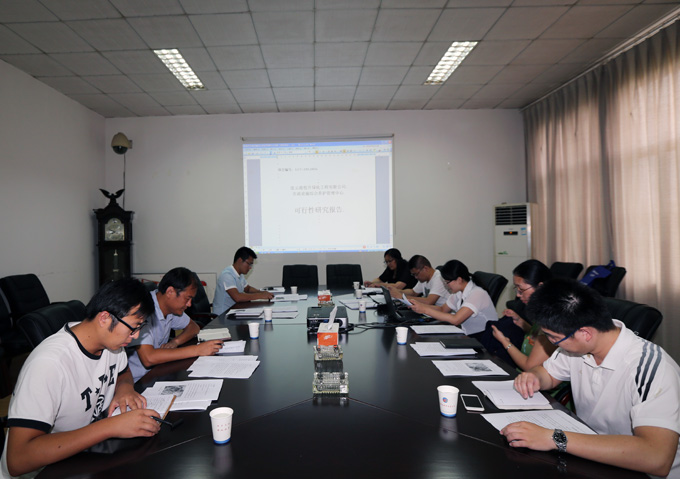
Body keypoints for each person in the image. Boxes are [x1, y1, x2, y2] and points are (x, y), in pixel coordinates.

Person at [503, 278, 680, 477]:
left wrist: (554, 438)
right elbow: (548, 375)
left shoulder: (651, 368)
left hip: (639, 471)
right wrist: (534, 376)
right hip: (589, 454)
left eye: (553, 337)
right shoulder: (577, 348)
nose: (552, 343)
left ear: (585, 333)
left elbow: (656, 457)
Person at [1, 278, 162, 478]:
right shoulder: (49, 364)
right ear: (104, 318)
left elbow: (123, 372)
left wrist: (125, 389)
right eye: (133, 327)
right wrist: (110, 427)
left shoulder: (112, 345)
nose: (135, 336)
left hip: (81, 456)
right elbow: (18, 460)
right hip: (42, 472)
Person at [127, 267, 224, 382]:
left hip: (160, 369)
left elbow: (193, 327)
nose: (189, 304)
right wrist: (197, 350)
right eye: (187, 298)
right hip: (139, 381)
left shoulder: (171, 309)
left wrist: (175, 342)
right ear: (170, 292)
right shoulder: (145, 309)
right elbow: (149, 358)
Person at [487, 259, 556, 370]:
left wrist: (504, 342)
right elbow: (537, 338)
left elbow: (529, 367)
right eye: (517, 289)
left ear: (540, 287)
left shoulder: (551, 319)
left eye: (522, 289)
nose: (518, 295)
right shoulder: (542, 310)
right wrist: (521, 322)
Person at [409, 260, 497, 336]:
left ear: (459, 280)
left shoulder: (477, 293)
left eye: (447, 282)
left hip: (484, 338)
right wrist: (420, 306)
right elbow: (443, 309)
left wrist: (425, 310)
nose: (446, 285)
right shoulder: (459, 291)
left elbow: (456, 320)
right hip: (468, 335)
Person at [213, 246, 274, 315]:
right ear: (240, 260)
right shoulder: (227, 275)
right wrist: (261, 295)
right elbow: (237, 297)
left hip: (233, 311)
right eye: (249, 264)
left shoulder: (240, 274)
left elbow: (248, 289)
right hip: (222, 316)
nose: (250, 267)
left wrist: (262, 292)